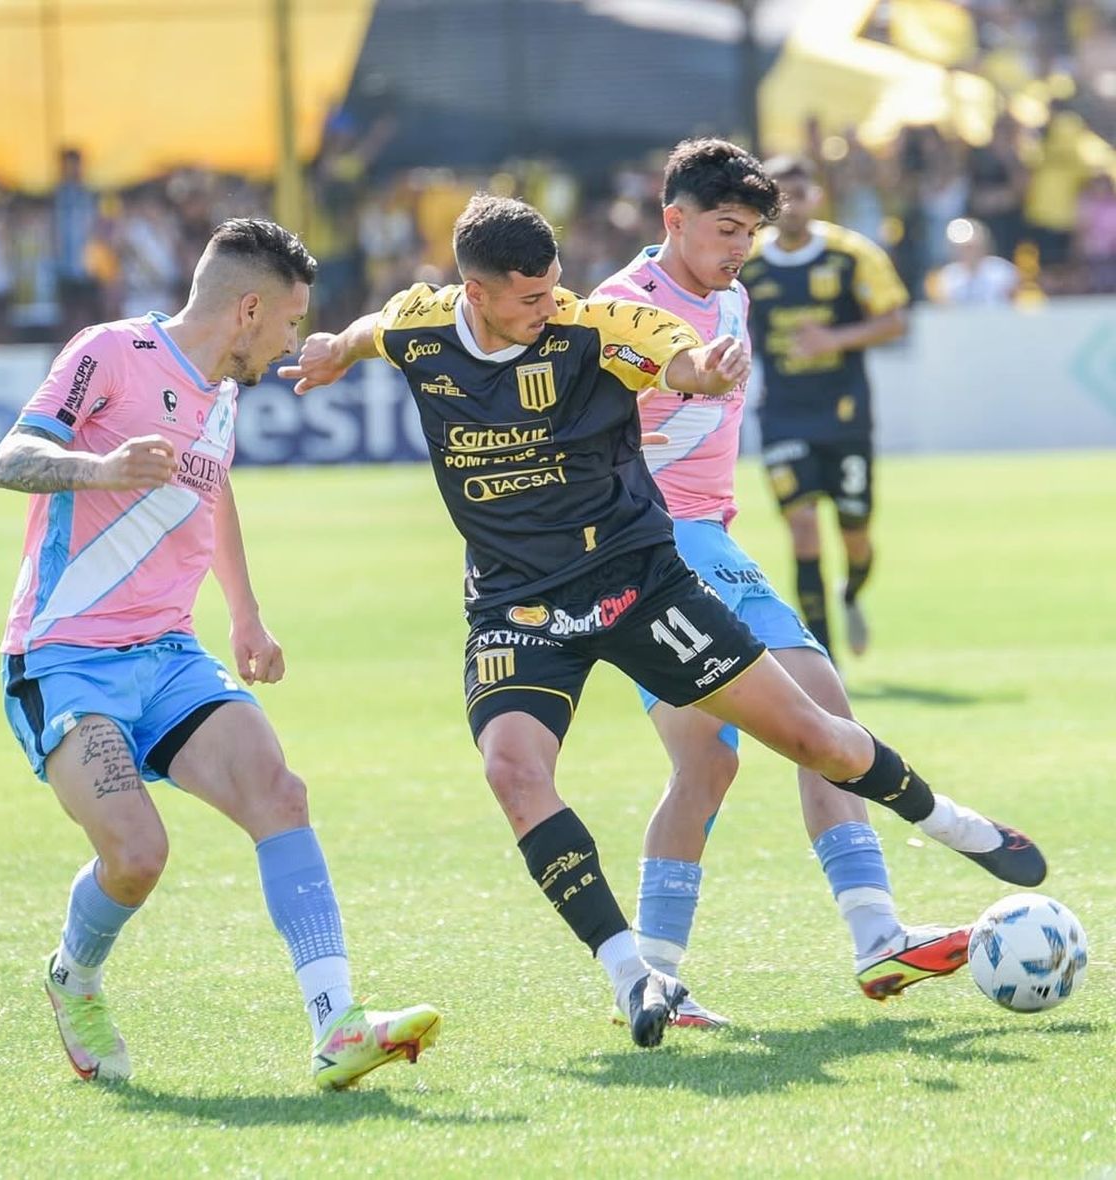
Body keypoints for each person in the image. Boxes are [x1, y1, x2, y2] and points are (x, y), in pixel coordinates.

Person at [281, 194, 1046, 1050]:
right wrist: (331, 352)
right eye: (530, 299)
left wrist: (701, 374)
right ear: (476, 291)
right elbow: (371, 330)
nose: (551, 308)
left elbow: (671, 356)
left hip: (640, 586)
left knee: (817, 738)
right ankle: (635, 973)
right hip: (517, 605)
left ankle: (957, 826)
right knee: (513, 771)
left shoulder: (596, 325)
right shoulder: (422, 322)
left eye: (556, 289)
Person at [0, 217, 440, 1089]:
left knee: (280, 791)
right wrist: (100, 470)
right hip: (64, 657)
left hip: (168, 654)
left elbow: (212, 487)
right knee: (137, 856)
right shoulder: (111, 351)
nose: (290, 339)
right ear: (247, 309)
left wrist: (245, 613)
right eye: (289, 321)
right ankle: (74, 976)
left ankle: (337, 1023)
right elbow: (12, 458)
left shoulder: (223, 393)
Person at [592, 138, 976, 1028]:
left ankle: (655, 977)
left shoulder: (730, 294)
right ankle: (873, 932)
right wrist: (682, 381)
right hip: (662, 542)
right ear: (673, 218)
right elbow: (613, 405)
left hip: (697, 538)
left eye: (751, 233)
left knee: (709, 766)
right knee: (808, 717)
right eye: (726, 229)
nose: (739, 249)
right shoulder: (619, 305)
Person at [739, 155, 909, 664]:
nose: (791, 204)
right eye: (780, 195)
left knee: (855, 535)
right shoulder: (748, 264)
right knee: (804, 527)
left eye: (800, 191)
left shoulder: (851, 253)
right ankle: (823, 654)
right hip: (783, 414)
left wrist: (834, 337)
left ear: (816, 195)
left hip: (844, 412)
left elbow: (895, 320)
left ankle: (851, 591)